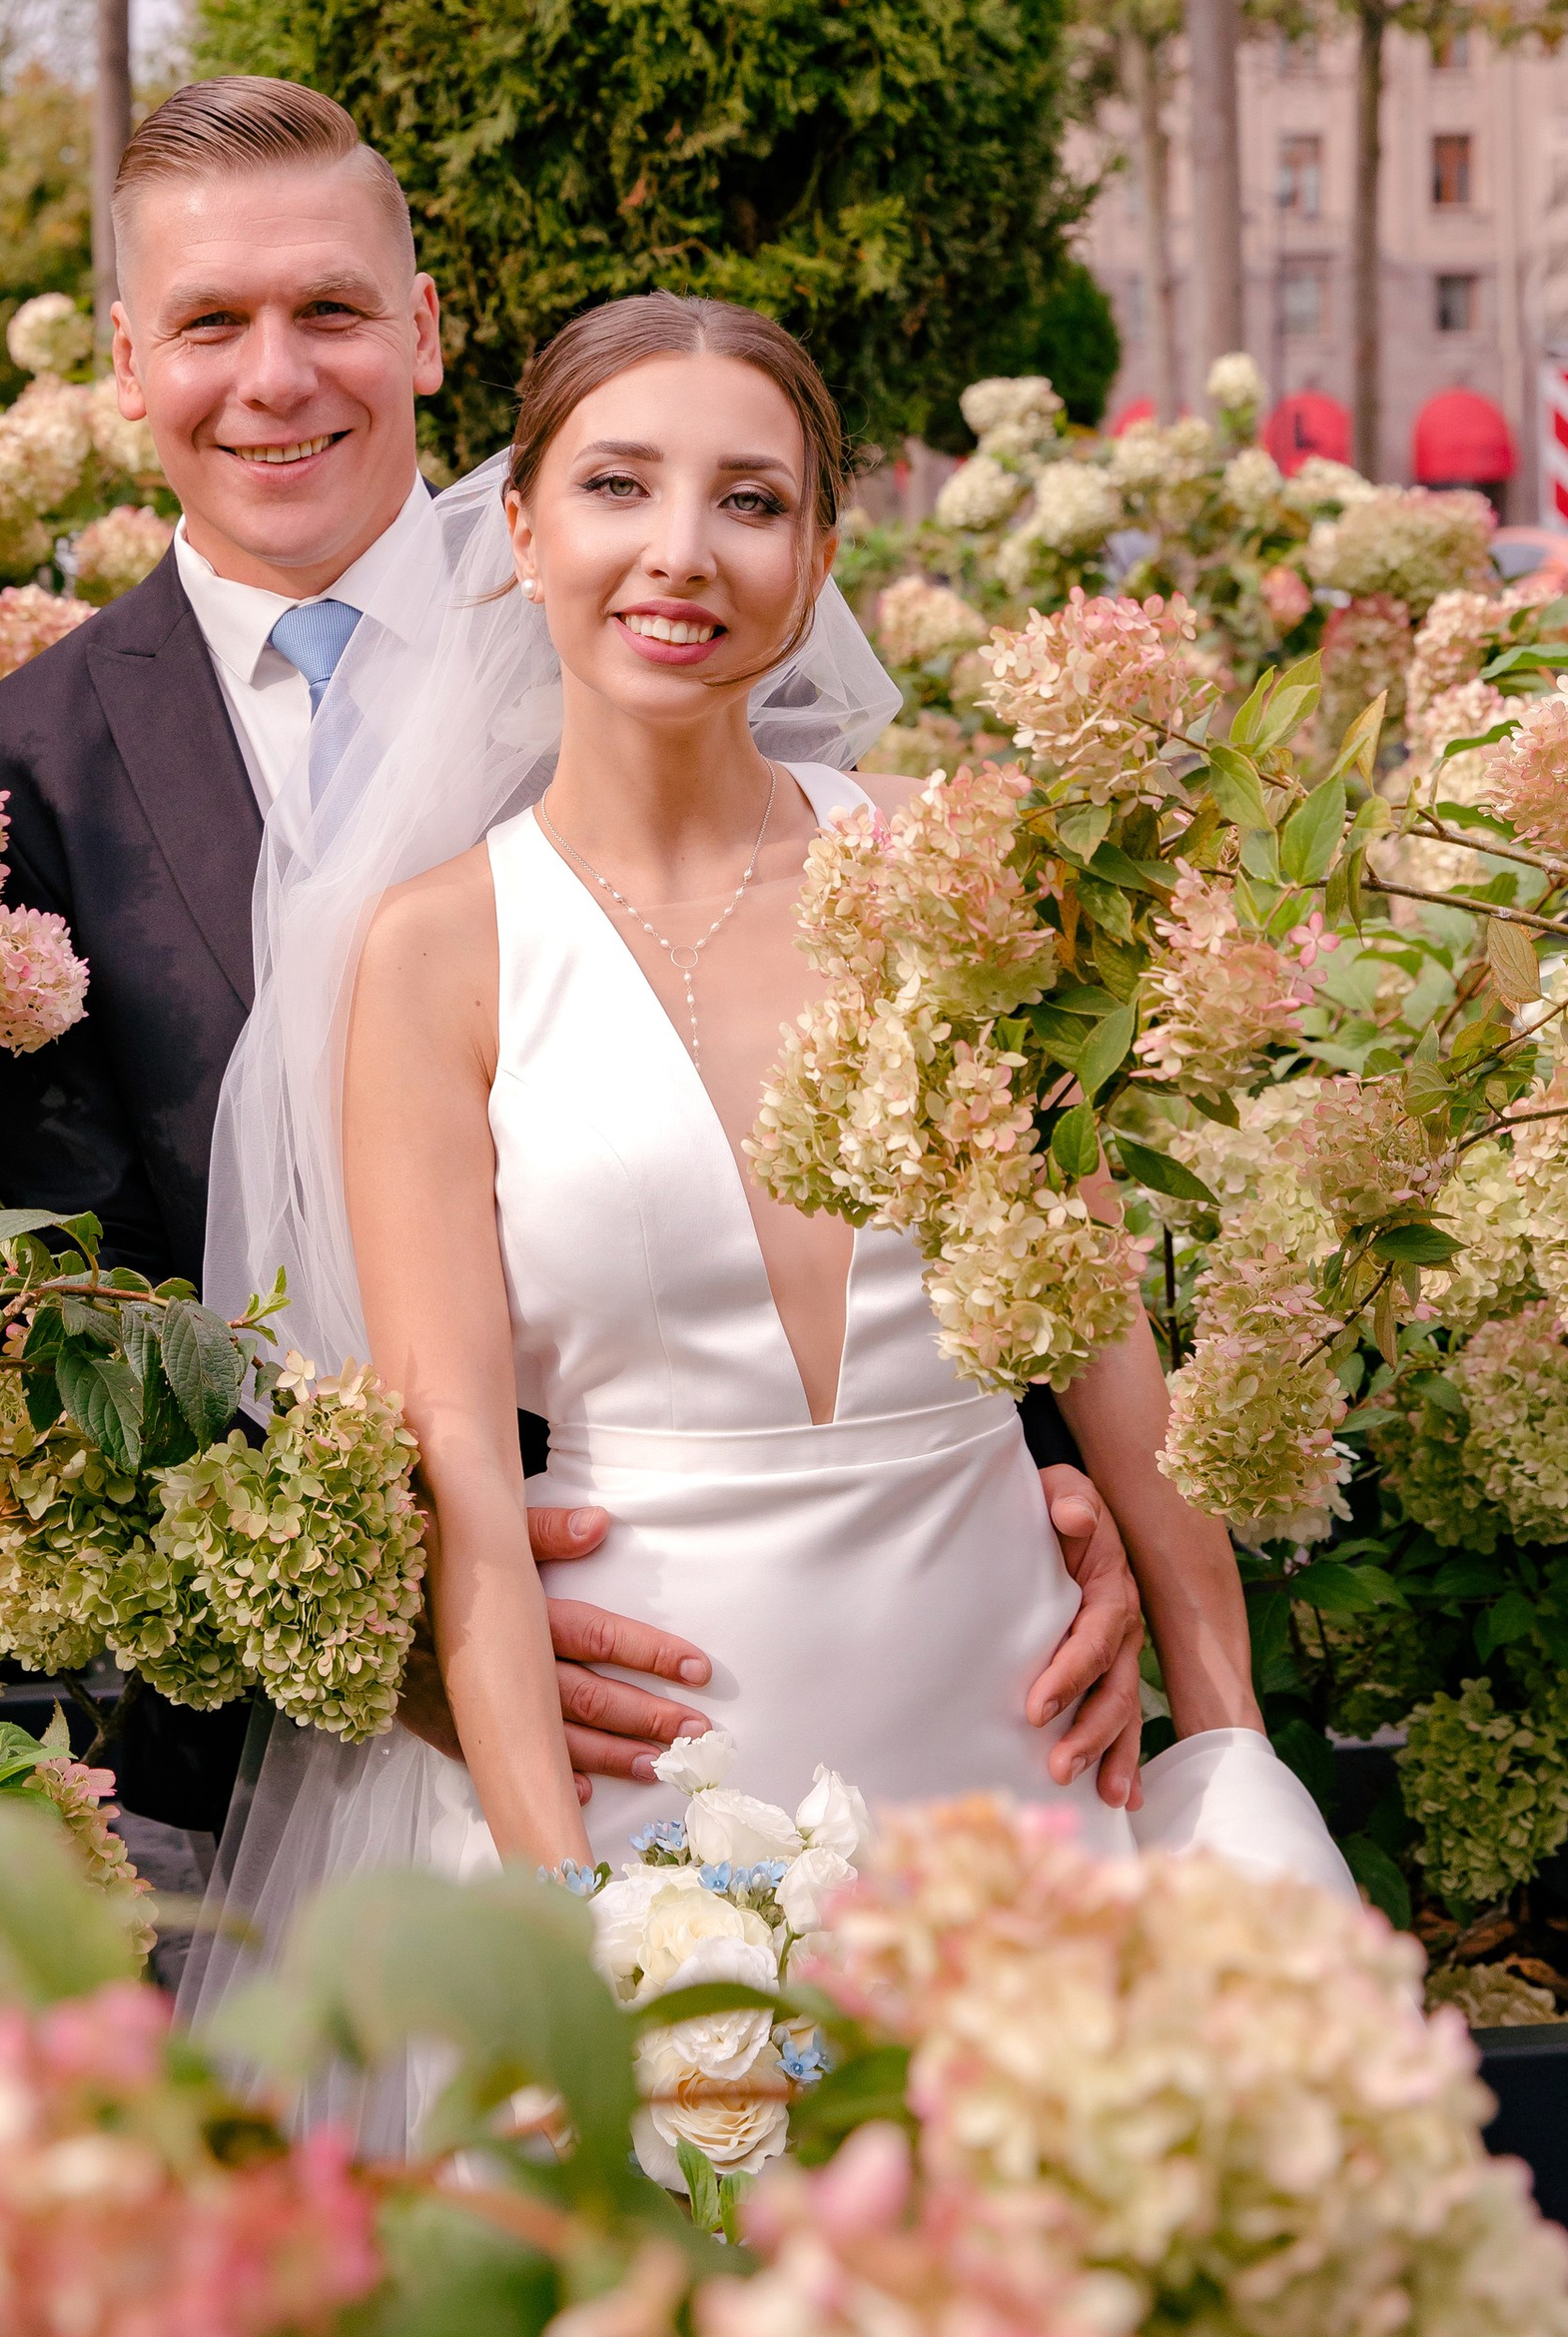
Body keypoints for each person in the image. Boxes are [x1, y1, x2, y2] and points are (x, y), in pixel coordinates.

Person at [0, 80, 1146, 1877]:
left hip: (896, 1668)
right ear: (130, 359)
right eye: (211, 322)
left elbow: (952, 1123)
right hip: (311, 1756)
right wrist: (416, 1646)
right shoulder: (15, 781)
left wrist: (1056, 1500)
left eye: (333, 309)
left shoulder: (662, 606)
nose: (276, 377)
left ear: (424, 331)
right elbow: (64, 1332)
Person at [196, 284, 1350, 1963]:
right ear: (517, 529)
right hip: (651, 1803)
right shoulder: (439, 952)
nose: (682, 550)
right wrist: (576, 1924)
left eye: (750, 500)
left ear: (815, 564)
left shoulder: (963, 868)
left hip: (1022, 1767)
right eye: (616, 485)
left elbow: (1112, 1357)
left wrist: (1228, 1740)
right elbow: (461, 1494)